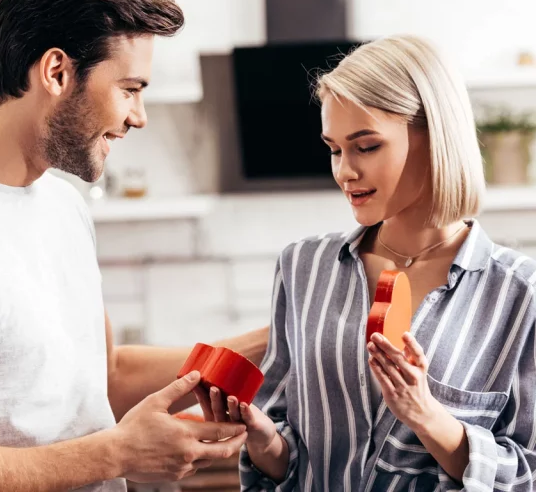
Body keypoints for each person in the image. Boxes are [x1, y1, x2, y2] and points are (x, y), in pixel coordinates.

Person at [0, 0, 269, 491]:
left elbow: (107, 377)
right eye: (130, 89)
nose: (138, 117)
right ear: (57, 72)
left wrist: (280, 341)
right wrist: (119, 452)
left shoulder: (62, 204)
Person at [203, 35, 536, 491]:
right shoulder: (303, 269)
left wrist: (427, 416)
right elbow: (286, 451)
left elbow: (528, 473)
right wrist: (263, 440)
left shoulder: (520, 294)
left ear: (435, 137)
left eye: (366, 146)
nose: (345, 171)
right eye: (335, 149)